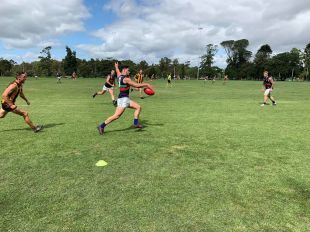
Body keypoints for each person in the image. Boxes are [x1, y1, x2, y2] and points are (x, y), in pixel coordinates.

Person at [97, 62, 154, 135]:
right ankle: (101, 126)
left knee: (138, 107)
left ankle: (135, 123)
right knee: (116, 116)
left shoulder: (119, 75)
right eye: (128, 70)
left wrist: (116, 66)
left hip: (125, 99)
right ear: (124, 70)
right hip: (123, 100)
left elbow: (117, 70)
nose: (129, 71)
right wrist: (146, 84)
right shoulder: (126, 79)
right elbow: (136, 85)